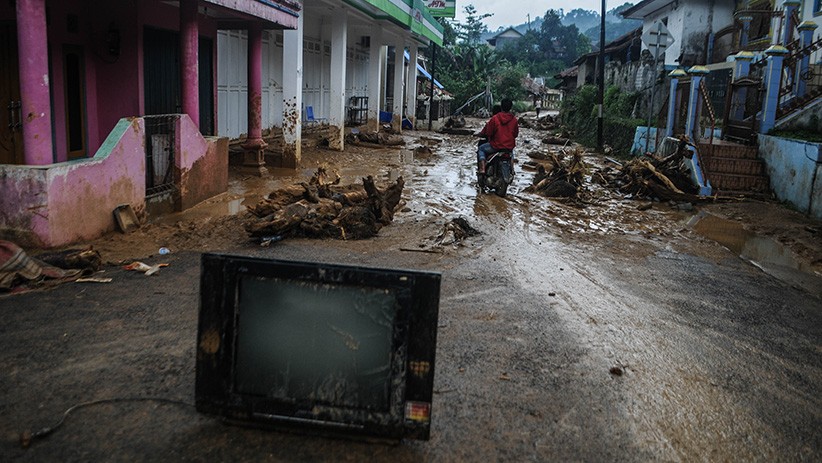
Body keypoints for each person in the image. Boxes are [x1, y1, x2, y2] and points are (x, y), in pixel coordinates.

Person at [476, 98, 518, 177]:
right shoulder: (514, 120)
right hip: (508, 147)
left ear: (501, 107)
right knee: (511, 153)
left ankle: (482, 168)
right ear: (510, 107)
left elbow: (489, 133)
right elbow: (516, 134)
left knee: (481, 149)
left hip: (496, 146)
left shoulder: (495, 118)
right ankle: (512, 169)